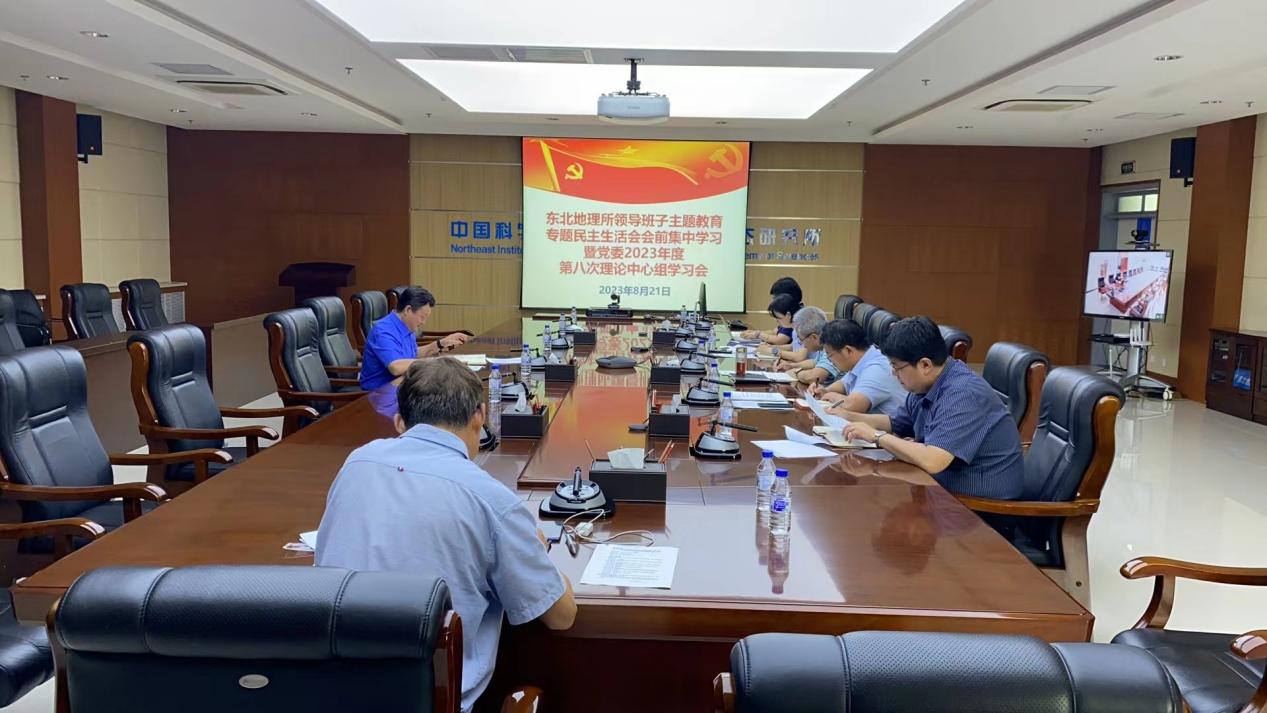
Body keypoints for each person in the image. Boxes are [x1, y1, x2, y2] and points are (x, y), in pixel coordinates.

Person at [317, 358, 576, 712]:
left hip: (332, 695)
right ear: (479, 416)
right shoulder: (492, 500)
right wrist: (536, 549)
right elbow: (561, 616)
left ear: (399, 422)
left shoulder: (356, 463)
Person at [839, 316, 1023, 499]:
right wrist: (847, 416)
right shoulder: (926, 384)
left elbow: (933, 460)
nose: (893, 374)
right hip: (939, 486)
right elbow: (895, 423)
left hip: (977, 502)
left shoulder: (963, 394)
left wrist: (877, 436)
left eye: (897, 367)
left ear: (925, 365)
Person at [359, 286, 470, 390]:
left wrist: (439, 344)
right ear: (408, 310)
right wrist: (436, 361)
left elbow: (412, 354)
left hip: (403, 383)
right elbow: (396, 367)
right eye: (422, 317)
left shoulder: (404, 324)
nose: (424, 322)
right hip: (380, 392)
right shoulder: (383, 331)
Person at [806, 320, 908, 418]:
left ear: (848, 351)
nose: (830, 361)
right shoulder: (863, 359)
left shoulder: (877, 368)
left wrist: (829, 395)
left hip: (893, 429)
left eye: (830, 355)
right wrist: (823, 390)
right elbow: (844, 384)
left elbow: (853, 405)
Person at [740, 277, 802, 343]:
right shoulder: (789, 315)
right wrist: (755, 333)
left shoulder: (800, 318)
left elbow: (780, 340)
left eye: (776, 298)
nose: (773, 301)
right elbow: (775, 332)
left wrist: (759, 335)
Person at [775, 306, 828, 383]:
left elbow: (813, 377)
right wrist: (792, 366)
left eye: (801, 340)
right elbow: (814, 362)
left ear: (814, 337)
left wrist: (796, 372)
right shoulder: (823, 346)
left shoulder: (832, 348)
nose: (803, 345)